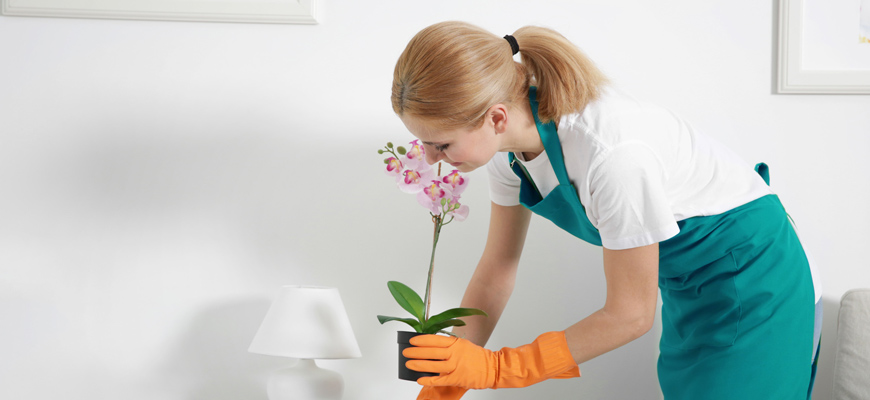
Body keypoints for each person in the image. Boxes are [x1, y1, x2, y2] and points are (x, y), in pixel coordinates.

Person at [391, 21, 822, 400]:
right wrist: (449, 379)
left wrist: (501, 368)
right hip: (685, 285)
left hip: (756, 278)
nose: (429, 159)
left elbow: (631, 313)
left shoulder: (610, 155)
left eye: (441, 144)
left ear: (497, 117)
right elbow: (496, 270)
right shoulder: (508, 155)